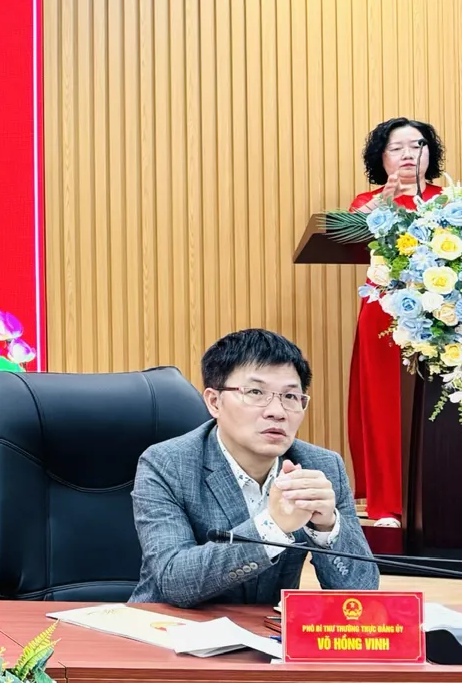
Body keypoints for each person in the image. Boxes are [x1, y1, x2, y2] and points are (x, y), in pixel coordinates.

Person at [131, 329, 378, 607]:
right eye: (255, 392)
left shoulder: (321, 467)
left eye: (290, 396)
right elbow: (175, 581)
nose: (277, 412)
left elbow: (362, 591)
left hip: (266, 629)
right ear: (214, 402)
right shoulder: (167, 464)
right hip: (168, 627)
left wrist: (327, 527)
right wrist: (272, 527)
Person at [346, 117, 445, 523]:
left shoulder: (449, 199)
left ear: (429, 153)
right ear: (381, 158)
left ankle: (440, 503)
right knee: (384, 403)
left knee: (440, 406)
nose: (408, 154)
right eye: (397, 147)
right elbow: (349, 232)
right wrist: (382, 205)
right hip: (385, 313)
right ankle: (387, 504)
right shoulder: (367, 201)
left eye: (417, 145)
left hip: (444, 312)